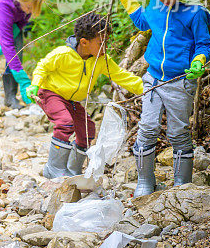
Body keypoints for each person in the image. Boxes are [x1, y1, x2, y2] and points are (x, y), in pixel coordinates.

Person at [111, 0, 210, 197]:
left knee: (178, 132)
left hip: (181, 81)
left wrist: (199, 61)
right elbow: (143, 22)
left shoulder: (194, 12)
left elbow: (204, 44)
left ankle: (181, 183)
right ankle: (145, 182)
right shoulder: (156, 4)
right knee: (147, 128)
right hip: (154, 79)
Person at [27, 13, 143, 178]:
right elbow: (42, 67)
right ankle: (54, 169)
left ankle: (72, 169)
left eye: (106, 41)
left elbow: (122, 76)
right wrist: (34, 84)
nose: (105, 46)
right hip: (50, 93)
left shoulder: (101, 60)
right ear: (84, 42)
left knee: (88, 129)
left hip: (71, 100)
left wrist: (145, 88)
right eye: (101, 42)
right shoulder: (63, 54)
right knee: (65, 123)